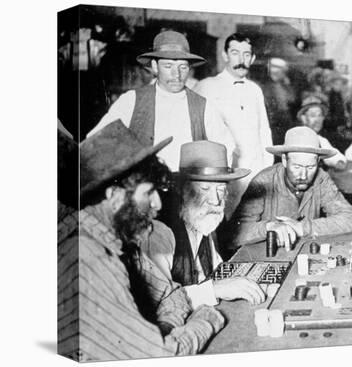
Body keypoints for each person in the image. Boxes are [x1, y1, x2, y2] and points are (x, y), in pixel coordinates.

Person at [58, 121, 224, 361]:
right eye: (148, 193)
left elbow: (171, 295)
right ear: (115, 197)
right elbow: (160, 356)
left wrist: (160, 330)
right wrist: (206, 319)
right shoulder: (86, 255)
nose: (157, 204)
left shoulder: (117, 242)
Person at [87, 30, 234, 172]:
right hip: (146, 191)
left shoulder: (203, 106)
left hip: (188, 189)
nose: (176, 74)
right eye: (168, 66)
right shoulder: (131, 101)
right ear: (154, 66)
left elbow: (226, 147)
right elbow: (96, 142)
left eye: (182, 67)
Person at [143, 141, 266, 307]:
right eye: (204, 189)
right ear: (182, 189)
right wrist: (214, 290)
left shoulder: (203, 222)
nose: (215, 200)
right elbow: (159, 302)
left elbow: (217, 272)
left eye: (221, 190)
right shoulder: (160, 234)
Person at [231, 126, 352, 249]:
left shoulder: (321, 179)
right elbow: (233, 234)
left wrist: (301, 228)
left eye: (310, 167)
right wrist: (269, 227)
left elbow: (349, 219)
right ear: (285, 160)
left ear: (318, 162)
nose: (303, 175)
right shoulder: (263, 182)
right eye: (297, 167)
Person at [194, 33, 273, 219]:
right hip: (223, 174)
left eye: (246, 54)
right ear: (225, 55)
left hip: (254, 173)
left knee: (249, 223)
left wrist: (266, 172)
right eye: (235, 53)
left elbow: (264, 132)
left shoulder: (255, 90)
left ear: (253, 58)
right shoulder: (207, 86)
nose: (241, 60)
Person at [297, 95, 347, 169]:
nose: (318, 120)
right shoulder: (296, 137)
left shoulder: (320, 139)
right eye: (313, 115)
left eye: (320, 115)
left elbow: (333, 155)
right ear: (303, 118)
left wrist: (339, 162)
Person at [262, 57, 297, 145]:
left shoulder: (285, 86)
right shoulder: (266, 87)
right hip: (274, 124)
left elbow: (292, 99)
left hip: (285, 123)